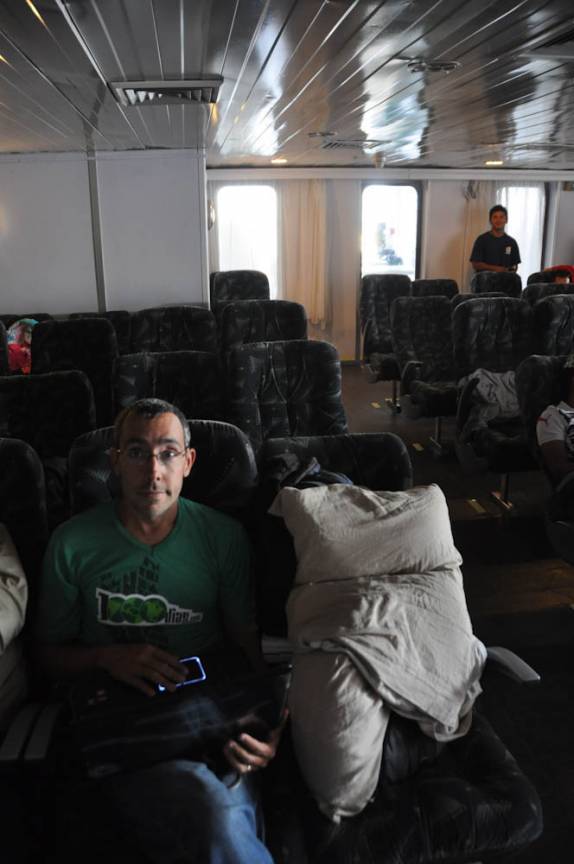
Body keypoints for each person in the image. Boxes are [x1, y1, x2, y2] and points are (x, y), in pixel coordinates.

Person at [36, 398, 282, 864]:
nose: (153, 470)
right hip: (126, 721)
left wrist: (271, 728)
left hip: (209, 715)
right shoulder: (72, 544)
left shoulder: (222, 537)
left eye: (168, 453)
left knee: (221, 812)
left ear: (188, 462)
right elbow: (47, 654)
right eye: (136, 452)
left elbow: (246, 648)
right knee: (212, 813)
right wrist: (107, 658)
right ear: (114, 461)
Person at [470, 205, 520, 273]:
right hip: (484, 281)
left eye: (501, 217)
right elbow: (475, 264)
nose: (498, 220)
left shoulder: (511, 242)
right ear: (490, 220)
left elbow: (514, 266)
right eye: (495, 217)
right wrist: (496, 269)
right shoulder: (481, 240)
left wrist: (509, 273)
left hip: (505, 281)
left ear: (506, 220)